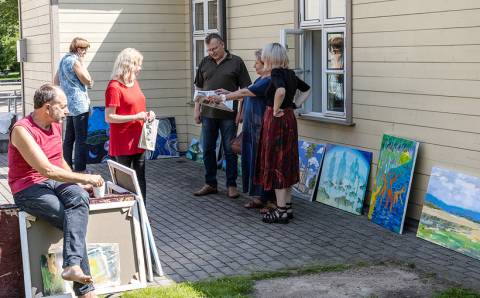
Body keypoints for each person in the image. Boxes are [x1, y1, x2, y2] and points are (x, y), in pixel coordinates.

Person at [8, 84, 104, 298]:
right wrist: (84, 177)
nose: (67, 110)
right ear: (47, 107)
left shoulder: (56, 123)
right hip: (28, 187)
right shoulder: (22, 130)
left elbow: (58, 160)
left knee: (79, 198)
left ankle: (72, 267)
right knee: (71, 221)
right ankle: (86, 292)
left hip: (52, 181)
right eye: (63, 106)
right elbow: (47, 169)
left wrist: (77, 185)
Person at [208, 49, 275, 211]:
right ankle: (258, 197)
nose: (254, 65)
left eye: (257, 63)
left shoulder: (269, 80)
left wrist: (224, 97)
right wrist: (230, 93)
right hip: (252, 126)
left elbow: (246, 91)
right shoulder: (261, 78)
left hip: (261, 126)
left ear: (266, 64)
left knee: (262, 163)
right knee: (252, 162)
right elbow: (247, 94)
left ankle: (270, 200)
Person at [255, 43, 311, 224]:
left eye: (264, 55)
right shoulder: (291, 74)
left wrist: (275, 109)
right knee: (286, 161)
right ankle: (287, 207)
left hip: (277, 121)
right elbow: (308, 89)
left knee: (277, 162)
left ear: (269, 57)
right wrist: (294, 105)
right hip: (289, 120)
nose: (262, 58)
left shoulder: (277, 73)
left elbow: (280, 91)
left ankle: (280, 212)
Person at [193, 33, 251, 198]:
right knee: (208, 149)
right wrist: (197, 110)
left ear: (223, 44)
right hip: (208, 114)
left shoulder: (236, 62)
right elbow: (199, 88)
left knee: (229, 150)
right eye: (209, 50)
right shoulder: (205, 62)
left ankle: (231, 185)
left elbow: (246, 89)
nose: (212, 52)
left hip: (229, 115)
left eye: (214, 48)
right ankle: (210, 183)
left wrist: (241, 113)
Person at [105, 48, 155, 203]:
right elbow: (109, 117)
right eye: (138, 64)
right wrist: (135, 116)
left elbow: (138, 107)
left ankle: (143, 215)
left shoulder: (134, 83)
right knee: (124, 181)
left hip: (139, 138)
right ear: (128, 65)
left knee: (141, 177)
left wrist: (149, 115)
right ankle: (126, 215)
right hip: (123, 141)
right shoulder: (114, 87)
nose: (140, 68)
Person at [55, 37, 93, 172]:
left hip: (68, 105)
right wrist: (82, 64)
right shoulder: (75, 61)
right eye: (85, 50)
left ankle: (67, 168)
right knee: (81, 139)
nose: (85, 53)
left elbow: (55, 81)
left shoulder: (63, 60)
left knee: (69, 138)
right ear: (79, 49)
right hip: (79, 104)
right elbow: (87, 80)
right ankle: (80, 170)